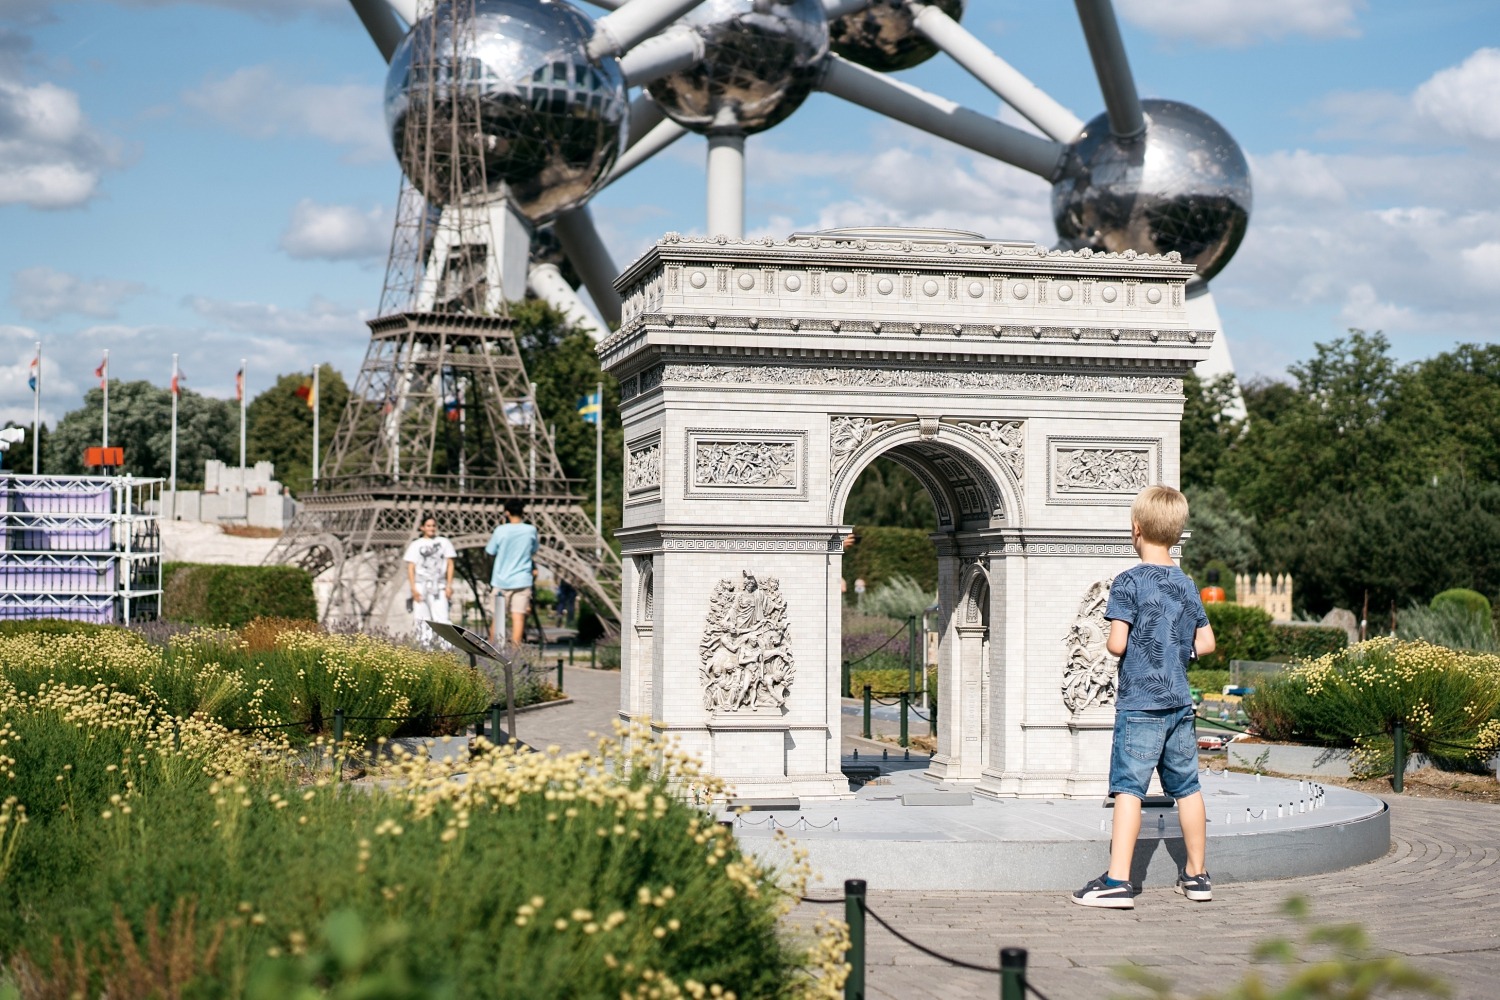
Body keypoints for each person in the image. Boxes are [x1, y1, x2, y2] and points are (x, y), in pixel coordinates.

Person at [1072, 485, 1217, 910]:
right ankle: (1197, 875)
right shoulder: (1186, 583)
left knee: (1129, 789)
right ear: (1177, 532)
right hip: (1179, 702)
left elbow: (1117, 644)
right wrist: (1177, 648)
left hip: (1140, 703)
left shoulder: (1128, 582)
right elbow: (1206, 643)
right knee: (1187, 786)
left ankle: (1118, 880)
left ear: (1135, 529)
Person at [486, 498, 539, 648]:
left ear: (507, 512)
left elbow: (490, 550)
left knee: (498, 618)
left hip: (501, 580)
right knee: (518, 618)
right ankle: (515, 655)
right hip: (522, 580)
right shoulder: (531, 530)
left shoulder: (500, 530)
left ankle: (493, 651)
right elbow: (534, 549)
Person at [403, 515, 456, 649]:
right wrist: (413, 588)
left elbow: (450, 564)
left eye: (433, 525)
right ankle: (425, 648)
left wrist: (449, 585)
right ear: (422, 528)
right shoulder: (416, 545)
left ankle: (446, 648)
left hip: (439, 585)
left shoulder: (444, 542)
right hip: (421, 585)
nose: (431, 528)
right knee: (421, 618)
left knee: (442, 617)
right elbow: (411, 568)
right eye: (428, 525)